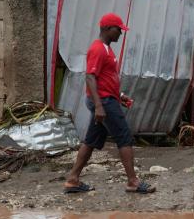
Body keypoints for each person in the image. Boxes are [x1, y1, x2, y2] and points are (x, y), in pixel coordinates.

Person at [63, 13, 156, 194]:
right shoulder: (98, 49)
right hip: (103, 102)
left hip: (107, 99)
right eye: (118, 29)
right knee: (124, 137)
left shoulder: (106, 49)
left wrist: (119, 95)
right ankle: (133, 182)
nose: (121, 33)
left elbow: (105, 79)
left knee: (91, 140)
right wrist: (99, 106)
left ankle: (73, 179)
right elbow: (90, 77)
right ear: (107, 29)